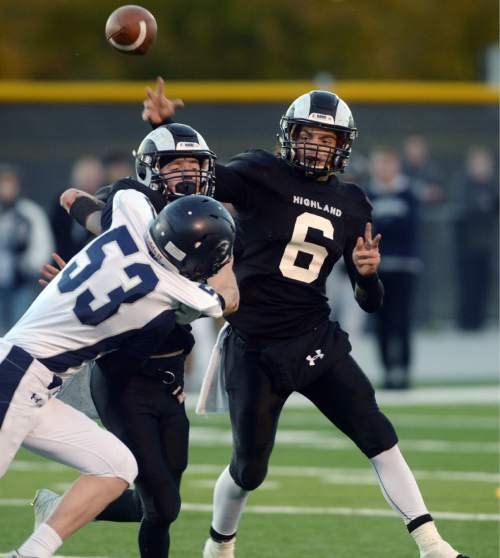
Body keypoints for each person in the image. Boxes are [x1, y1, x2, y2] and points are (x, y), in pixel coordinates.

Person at [142, 78, 470, 558]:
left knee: (377, 433)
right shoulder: (259, 171)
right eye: (307, 135)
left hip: (314, 337)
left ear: (342, 147)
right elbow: (198, 180)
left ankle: (432, 544)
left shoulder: (353, 202)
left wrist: (366, 277)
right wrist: (167, 128)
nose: (315, 146)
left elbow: (370, 301)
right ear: (288, 136)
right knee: (250, 467)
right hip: (253, 344)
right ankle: (219, 545)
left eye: (326, 139)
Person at [33, 122, 239, 558]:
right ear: (151, 169)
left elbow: (230, 297)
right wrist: (80, 275)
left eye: (195, 164)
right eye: (175, 163)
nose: (187, 172)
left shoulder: (208, 217)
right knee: (161, 501)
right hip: (123, 373)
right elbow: (77, 202)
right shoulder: (131, 201)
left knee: (164, 506)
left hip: (170, 373)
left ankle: (62, 508)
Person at [366, 147, 421, 389]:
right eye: (380, 165)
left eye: (388, 165)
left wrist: (384, 227)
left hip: (404, 266)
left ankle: (404, 371)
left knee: (402, 321)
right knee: (381, 323)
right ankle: (387, 371)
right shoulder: (368, 194)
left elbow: (409, 229)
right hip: (378, 268)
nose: (384, 170)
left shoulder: (408, 192)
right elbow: (368, 228)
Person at [0, 165, 54, 333]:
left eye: (10, 182)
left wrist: (24, 266)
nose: (6, 187)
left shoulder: (30, 213)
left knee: (19, 332)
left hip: (22, 285)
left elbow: (43, 249)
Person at [454, 146, 498, 330]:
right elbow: (463, 210)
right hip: (466, 245)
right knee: (467, 284)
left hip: (486, 244)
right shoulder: (464, 185)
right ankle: (466, 320)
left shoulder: (492, 185)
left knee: (483, 283)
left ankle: (479, 319)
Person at [50, 156, 104, 261]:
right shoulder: (61, 202)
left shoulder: (105, 204)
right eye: (85, 175)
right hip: (64, 260)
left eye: (92, 175)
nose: (88, 180)